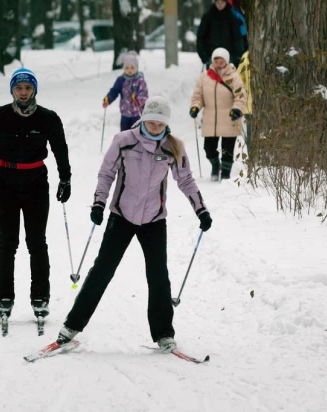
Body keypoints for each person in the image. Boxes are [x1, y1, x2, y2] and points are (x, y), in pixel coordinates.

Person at [55, 96, 213, 353]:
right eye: (150, 121)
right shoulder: (124, 141)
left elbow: (185, 181)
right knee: (102, 271)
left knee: (159, 276)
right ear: (143, 118)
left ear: (166, 124)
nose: (154, 126)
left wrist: (201, 211)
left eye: (159, 123)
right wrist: (98, 203)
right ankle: (72, 325)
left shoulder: (173, 147)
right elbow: (107, 173)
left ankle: (164, 333)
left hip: (153, 219)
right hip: (122, 215)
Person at [0, 68, 71, 322]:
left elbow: (60, 148)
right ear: (12, 90)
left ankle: (40, 296)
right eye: (19, 88)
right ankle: (4, 297)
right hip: (5, 182)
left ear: (35, 91)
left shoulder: (48, 118)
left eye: (28, 89)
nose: (23, 93)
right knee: (7, 243)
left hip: (36, 183)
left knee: (36, 241)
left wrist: (66, 178)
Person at [190, 47, 247, 181]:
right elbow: (198, 95)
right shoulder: (205, 77)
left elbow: (240, 96)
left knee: (227, 149)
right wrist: (195, 107)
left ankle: (226, 173)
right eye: (216, 60)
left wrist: (237, 109)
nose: (218, 63)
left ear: (226, 61)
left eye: (221, 60)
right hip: (211, 118)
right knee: (208, 149)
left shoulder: (234, 76)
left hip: (229, 117)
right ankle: (215, 165)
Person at [102, 51, 149, 131]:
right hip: (125, 113)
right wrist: (108, 99)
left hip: (136, 114)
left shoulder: (140, 80)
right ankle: (124, 144)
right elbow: (114, 91)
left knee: (135, 134)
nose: (129, 70)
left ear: (136, 67)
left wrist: (138, 100)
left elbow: (144, 93)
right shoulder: (121, 80)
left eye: (132, 67)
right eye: (127, 68)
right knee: (124, 134)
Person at [196, 0, 245, 69]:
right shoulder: (208, 17)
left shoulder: (232, 17)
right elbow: (201, 37)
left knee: (228, 79)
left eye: (222, 2)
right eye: (218, 2)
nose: (220, 5)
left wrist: (238, 57)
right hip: (211, 56)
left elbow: (237, 38)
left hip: (229, 56)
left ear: (226, 3)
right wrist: (203, 56)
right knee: (212, 79)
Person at [237, 50, 252, 148]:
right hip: (250, 106)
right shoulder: (246, 56)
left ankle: (253, 160)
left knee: (251, 137)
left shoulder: (246, 56)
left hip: (250, 106)